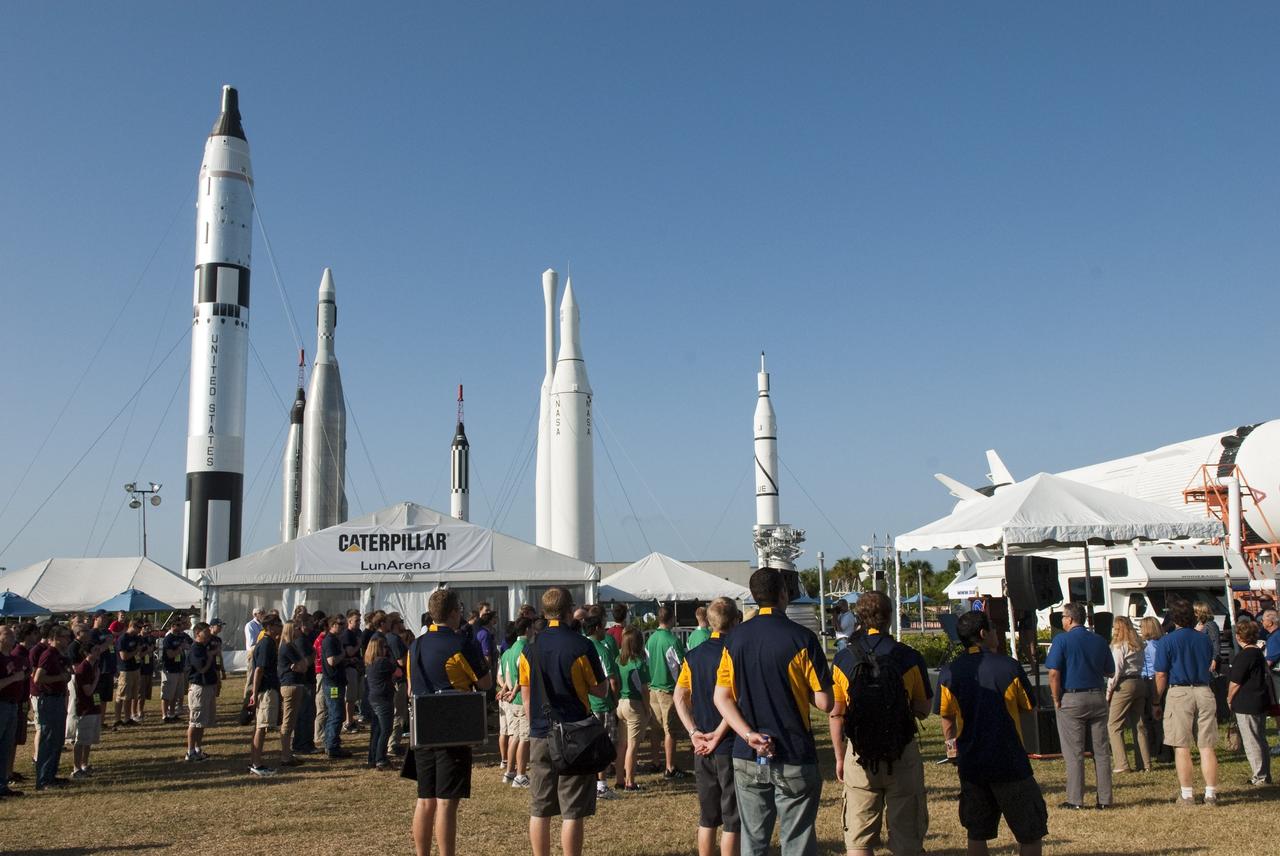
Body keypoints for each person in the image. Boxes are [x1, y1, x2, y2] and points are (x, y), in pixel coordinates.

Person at [713, 567, 833, 856]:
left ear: (754, 597)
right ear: (783, 594)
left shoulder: (734, 639)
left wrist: (748, 734)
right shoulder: (802, 638)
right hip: (793, 750)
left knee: (753, 841)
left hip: (748, 751)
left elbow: (722, 697)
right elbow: (825, 702)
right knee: (797, 840)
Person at [938, 610, 1047, 856]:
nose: (998, 633)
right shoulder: (1009, 666)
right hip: (1009, 761)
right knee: (1030, 831)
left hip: (971, 763)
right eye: (994, 629)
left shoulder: (950, 672)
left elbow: (946, 717)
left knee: (976, 833)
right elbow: (1029, 706)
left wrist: (952, 749)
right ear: (983, 633)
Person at [830, 590, 931, 856]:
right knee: (907, 836)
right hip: (901, 750)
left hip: (859, 754)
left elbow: (836, 713)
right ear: (889, 618)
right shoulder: (908, 656)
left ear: (858, 618)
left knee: (859, 838)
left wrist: (840, 757)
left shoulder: (843, 659)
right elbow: (923, 709)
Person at [519, 587, 609, 856]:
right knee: (572, 811)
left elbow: (525, 695)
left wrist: (535, 722)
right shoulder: (582, 646)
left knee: (540, 807)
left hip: (539, 731)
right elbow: (600, 690)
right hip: (574, 734)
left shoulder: (529, 648)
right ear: (571, 611)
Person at [409, 587, 493, 856]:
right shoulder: (461, 643)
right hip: (452, 725)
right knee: (447, 802)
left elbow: (412, 687)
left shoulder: (416, 644)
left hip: (422, 726)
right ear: (455, 612)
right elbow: (485, 682)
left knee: (424, 800)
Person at [674, 597, 741, 856]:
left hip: (702, 743)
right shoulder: (736, 653)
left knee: (708, 814)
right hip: (729, 742)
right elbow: (736, 701)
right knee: (732, 816)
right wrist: (717, 734)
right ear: (735, 621)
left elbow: (680, 696)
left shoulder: (693, 656)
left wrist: (693, 731)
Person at [1045, 601, 1114, 809]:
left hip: (1072, 697)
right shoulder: (1099, 640)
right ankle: (1105, 800)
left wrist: (1056, 698)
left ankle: (1075, 799)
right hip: (1096, 696)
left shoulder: (1062, 641)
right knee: (1101, 751)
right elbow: (1109, 671)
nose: (1062, 621)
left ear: (1070, 619)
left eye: (1064, 617)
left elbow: (1054, 673)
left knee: (1074, 752)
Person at [1154, 596, 1219, 806]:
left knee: (1181, 745)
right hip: (1204, 689)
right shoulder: (1203, 639)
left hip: (1180, 692)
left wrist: (1156, 700)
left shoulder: (1167, 641)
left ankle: (1187, 793)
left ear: (1174, 619)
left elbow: (1161, 674)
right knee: (1206, 745)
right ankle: (1210, 793)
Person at [646, 605, 687, 779]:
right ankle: (670, 767)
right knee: (670, 730)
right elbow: (682, 664)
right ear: (672, 619)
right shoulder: (672, 639)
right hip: (668, 689)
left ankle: (656, 761)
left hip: (653, 688)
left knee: (656, 728)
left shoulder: (651, 639)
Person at [1227, 619, 1271, 785]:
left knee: (1252, 741)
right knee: (1260, 739)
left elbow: (1235, 682)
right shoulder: (1258, 653)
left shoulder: (1244, 655)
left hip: (1247, 702)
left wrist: (1229, 698)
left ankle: (1259, 776)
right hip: (1260, 699)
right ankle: (1264, 774)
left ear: (1239, 636)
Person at [584, 612, 621, 800]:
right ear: (597, 628)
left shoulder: (581, 647)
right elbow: (612, 680)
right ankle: (602, 785)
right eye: (603, 626)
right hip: (603, 704)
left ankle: (592, 783)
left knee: (590, 745)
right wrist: (615, 701)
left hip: (587, 703)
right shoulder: (601, 649)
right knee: (605, 745)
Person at [1107, 616, 1150, 773]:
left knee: (1114, 724)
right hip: (1139, 681)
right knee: (1139, 724)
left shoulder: (1119, 646)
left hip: (1124, 684)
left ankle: (1122, 764)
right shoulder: (1138, 645)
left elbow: (1116, 671)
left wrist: (1109, 692)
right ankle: (1145, 763)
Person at [33, 624, 73, 790]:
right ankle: (43, 779)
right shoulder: (48, 654)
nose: (68, 640)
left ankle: (51, 775)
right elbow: (38, 678)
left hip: (58, 698)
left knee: (57, 740)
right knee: (48, 740)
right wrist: (60, 677)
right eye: (64, 637)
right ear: (56, 638)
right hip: (49, 700)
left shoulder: (59, 654)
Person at [499, 617, 534, 788]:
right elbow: (523, 676)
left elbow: (506, 674)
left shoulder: (510, 650)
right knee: (524, 739)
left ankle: (510, 772)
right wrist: (514, 691)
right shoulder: (525, 649)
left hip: (512, 701)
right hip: (521, 699)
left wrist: (509, 690)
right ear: (527, 629)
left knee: (514, 736)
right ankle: (520, 775)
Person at [616, 626, 651, 791]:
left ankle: (619, 779)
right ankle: (630, 782)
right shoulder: (639, 663)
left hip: (621, 703)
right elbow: (643, 689)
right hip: (634, 704)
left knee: (622, 745)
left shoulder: (618, 660)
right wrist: (647, 709)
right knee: (632, 746)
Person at [247, 614, 282, 777]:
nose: (280, 626)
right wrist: (254, 693)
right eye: (277, 624)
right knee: (261, 727)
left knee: (261, 726)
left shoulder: (270, 643)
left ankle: (256, 760)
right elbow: (259, 670)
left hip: (268, 688)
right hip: (265, 689)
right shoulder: (266, 643)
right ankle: (256, 763)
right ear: (270, 626)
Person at [70, 632, 106, 779]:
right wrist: (97, 678)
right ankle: (76, 767)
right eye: (95, 650)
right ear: (87, 652)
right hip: (85, 709)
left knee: (89, 739)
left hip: (94, 707)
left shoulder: (94, 666)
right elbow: (88, 690)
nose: (98, 652)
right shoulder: (83, 668)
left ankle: (85, 764)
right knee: (81, 739)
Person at [277, 618, 309, 766]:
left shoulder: (291, 646)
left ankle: (288, 752)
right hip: (290, 685)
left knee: (292, 720)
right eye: (296, 628)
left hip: (295, 684)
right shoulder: (287, 646)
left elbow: (304, 665)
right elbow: (303, 665)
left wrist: (301, 665)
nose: (299, 630)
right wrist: (300, 665)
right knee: (288, 722)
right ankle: (285, 755)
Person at [185, 622, 218, 762]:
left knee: (202, 722)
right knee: (195, 721)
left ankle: (198, 749)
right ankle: (190, 751)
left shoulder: (204, 647)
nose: (209, 633)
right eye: (206, 631)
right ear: (198, 633)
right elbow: (202, 669)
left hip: (208, 686)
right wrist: (210, 657)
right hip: (199, 687)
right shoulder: (196, 649)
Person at [320, 614, 352, 759]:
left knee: (336, 713)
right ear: (332, 625)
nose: (343, 627)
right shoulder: (330, 641)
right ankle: (332, 746)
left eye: (344, 624)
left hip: (337, 681)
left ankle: (331, 743)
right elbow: (331, 661)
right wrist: (343, 655)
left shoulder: (335, 639)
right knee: (336, 714)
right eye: (340, 624)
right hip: (332, 683)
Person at [0, 625, 26, 798]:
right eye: (6, 633)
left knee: (6, 746)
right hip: (1, 705)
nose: (12, 636)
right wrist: (14, 678)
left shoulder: (13, 658)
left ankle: (2, 784)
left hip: (13, 705)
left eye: (12, 633)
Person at [1138, 617, 1169, 764]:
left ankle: (1160, 750)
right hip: (1151, 680)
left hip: (1152, 681)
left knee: (1154, 717)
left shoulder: (1151, 646)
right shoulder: (1158, 643)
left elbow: (1158, 668)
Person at [364, 636, 395, 770]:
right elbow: (397, 670)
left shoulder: (370, 662)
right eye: (384, 647)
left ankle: (372, 757)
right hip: (383, 698)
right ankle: (381, 759)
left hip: (373, 697)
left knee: (376, 729)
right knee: (385, 729)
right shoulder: (382, 662)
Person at [160, 616, 191, 723]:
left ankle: (172, 714)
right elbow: (169, 654)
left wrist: (186, 646)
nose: (180, 626)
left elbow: (191, 644)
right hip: (170, 670)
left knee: (176, 694)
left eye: (181, 624)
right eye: (178, 625)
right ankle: (165, 715)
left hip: (179, 669)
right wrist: (181, 648)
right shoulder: (168, 638)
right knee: (167, 694)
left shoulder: (181, 636)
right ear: (172, 626)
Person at [341, 610, 363, 732]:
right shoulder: (347, 635)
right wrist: (358, 645)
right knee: (349, 697)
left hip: (356, 668)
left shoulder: (357, 633)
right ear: (349, 621)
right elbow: (349, 652)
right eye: (356, 620)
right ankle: (348, 721)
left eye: (359, 620)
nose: (359, 623)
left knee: (355, 696)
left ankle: (352, 719)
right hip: (349, 669)